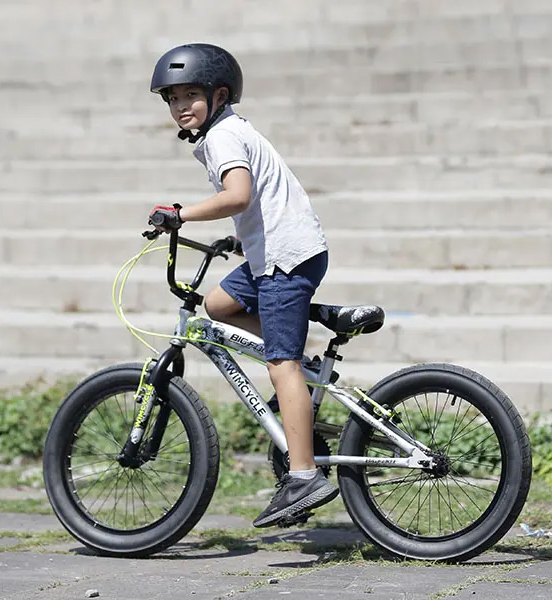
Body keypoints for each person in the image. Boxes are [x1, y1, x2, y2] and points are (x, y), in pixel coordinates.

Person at [147, 43, 339, 527]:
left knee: (280, 365)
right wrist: (241, 236)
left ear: (220, 95)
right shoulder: (229, 131)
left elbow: (238, 194)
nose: (181, 106)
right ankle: (306, 369)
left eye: (192, 94)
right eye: (172, 98)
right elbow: (260, 200)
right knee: (217, 304)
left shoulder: (222, 138)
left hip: (282, 259)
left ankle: (303, 475)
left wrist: (179, 215)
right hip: (282, 249)